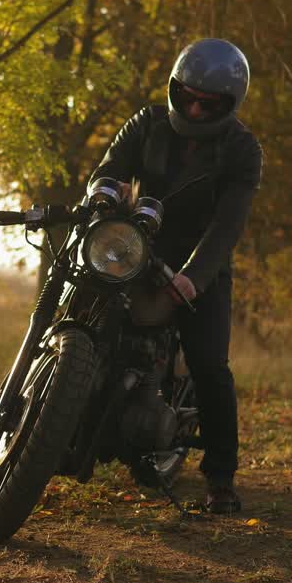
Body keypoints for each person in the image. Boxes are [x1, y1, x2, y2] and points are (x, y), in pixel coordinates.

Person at [87, 38, 262, 513]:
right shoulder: (146, 124)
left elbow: (227, 226)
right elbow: (108, 169)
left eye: (209, 104)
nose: (196, 109)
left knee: (210, 365)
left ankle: (220, 479)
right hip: (132, 247)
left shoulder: (242, 150)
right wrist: (102, 196)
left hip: (199, 265)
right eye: (188, 97)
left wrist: (193, 277)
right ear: (174, 89)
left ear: (229, 104)